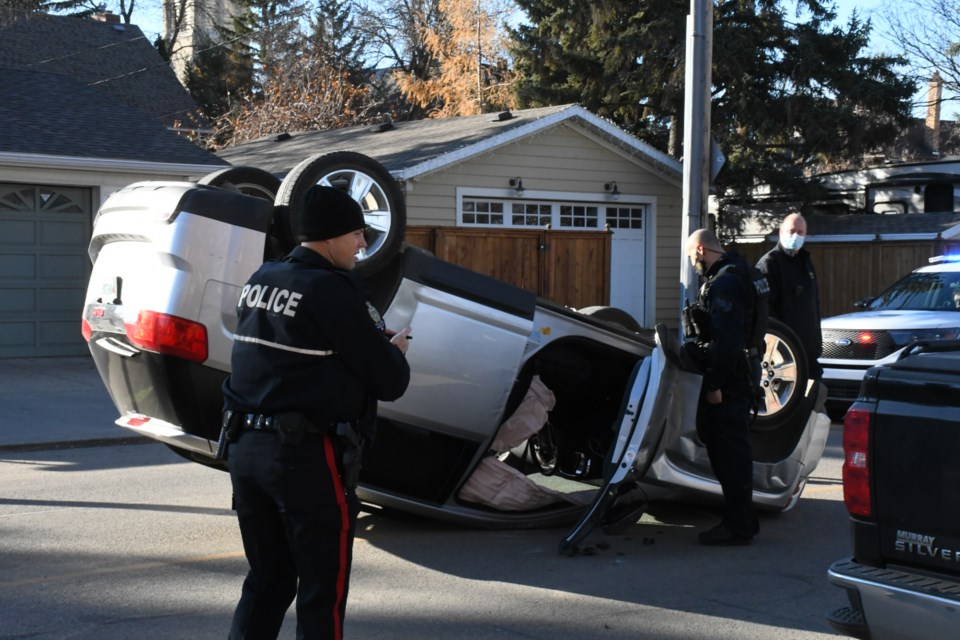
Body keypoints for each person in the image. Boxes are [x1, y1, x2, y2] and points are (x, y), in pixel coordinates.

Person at [220, 185, 411, 639]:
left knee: (268, 580)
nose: (364, 244)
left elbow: (296, 355)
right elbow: (391, 381)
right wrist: (395, 351)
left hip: (245, 450)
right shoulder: (331, 290)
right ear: (330, 238)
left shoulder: (262, 278)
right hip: (303, 458)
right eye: (358, 234)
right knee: (322, 590)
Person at [684, 228, 764, 546]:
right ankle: (743, 521)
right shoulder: (744, 272)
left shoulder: (725, 282)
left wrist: (714, 384)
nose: (693, 263)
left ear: (701, 250)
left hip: (730, 379)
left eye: (692, 257)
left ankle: (739, 525)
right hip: (745, 372)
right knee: (735, 452)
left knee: (729, 454)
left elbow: (728, 340)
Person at [756, 213, 822, 380]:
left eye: (800, 232)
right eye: (791, 231)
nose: (795, 236)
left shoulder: (805, 262)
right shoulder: (770, 264)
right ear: (781, 232)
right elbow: (765, 313)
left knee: (816, 396)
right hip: (784, 355)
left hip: (809, 353)